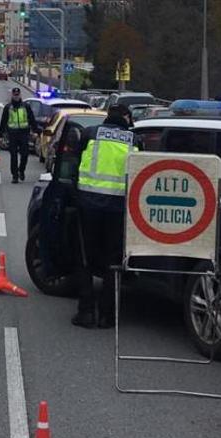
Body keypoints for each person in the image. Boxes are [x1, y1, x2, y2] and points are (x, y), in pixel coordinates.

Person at [69, 104, 141, 329]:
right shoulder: (134, 140)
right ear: (127, 118)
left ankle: (86, 312)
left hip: (88, 205)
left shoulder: (90, 134)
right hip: (118, 209)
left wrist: (75, 194)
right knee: (113, 261)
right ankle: (107, 315)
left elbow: (74, 168)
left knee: (85, 259)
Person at [0, 87, 36, 183]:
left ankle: (21, 170)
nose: (16, 97)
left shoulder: (26, 106)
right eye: (15, 95)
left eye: (18, 95)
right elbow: (3, 122)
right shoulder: (8, 107)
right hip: (12, 135)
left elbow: (32, 119)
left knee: (25, 154)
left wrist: (36, 131)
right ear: (12, 96)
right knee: (13, 156)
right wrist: (0, 136)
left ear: (20, 95)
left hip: (24, 134)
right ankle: (15, 176)